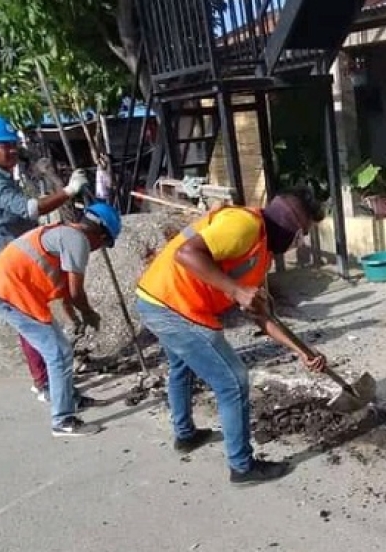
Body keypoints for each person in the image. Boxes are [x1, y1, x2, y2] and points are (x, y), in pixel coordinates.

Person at [135, 188, 328, 485]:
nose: (296, 244)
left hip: (158, 299)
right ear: (289, 226)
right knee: (233, 380)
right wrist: (235, 290)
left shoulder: (261, 253)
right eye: (300, 235)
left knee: (181, 367)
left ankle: (185, 435)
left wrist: (302, 351)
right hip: (173, 306)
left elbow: (262, 316)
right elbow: (186, 253)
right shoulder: (245, 225)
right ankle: (242, 467)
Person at [0, 115, 89, 403]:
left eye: (12, 146)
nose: (11, 151)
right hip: (7, 258)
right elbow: (29, 209)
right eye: (4, 146)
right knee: (32, 321)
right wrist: (68, 192)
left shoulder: (0, 175)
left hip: (17, 253)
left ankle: (46, 375)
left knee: (33, 318)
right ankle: (45, 382)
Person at [0, 203, 122, 437]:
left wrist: (74, 319)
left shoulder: (63, 233)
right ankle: (63, 420)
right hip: (10, 293)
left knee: (58, 348)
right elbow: (76, 292)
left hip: (10, 290)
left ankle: (69, 398)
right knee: (59, 353)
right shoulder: (78, 240)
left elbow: (64, 290)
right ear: (100, 233)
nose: (98, 249)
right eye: (104, 243)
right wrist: (89, 314)